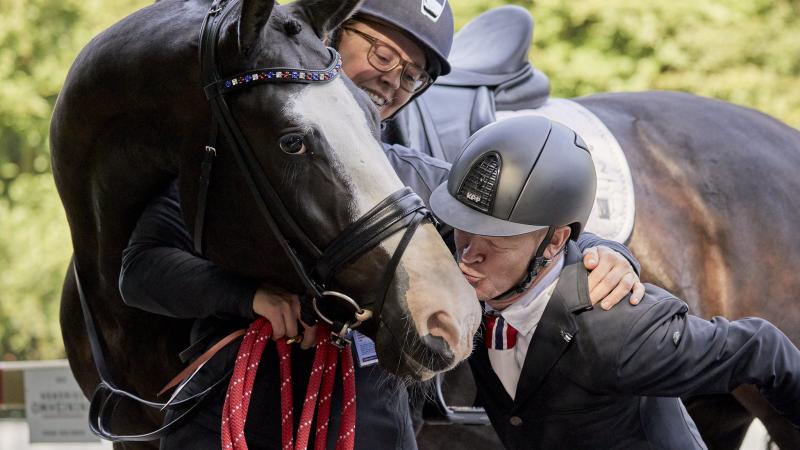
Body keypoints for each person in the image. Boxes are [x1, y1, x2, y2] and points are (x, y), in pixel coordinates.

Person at [119, 2, 644, 449]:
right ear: (327, 37)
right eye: (383, 53)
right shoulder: (240, 163)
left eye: (412, 74)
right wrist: (249, 295)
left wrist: (607, 253)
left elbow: (522, 228)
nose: (394, 79)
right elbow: (142, 268)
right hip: (239, 400)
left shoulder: (412, 174)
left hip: (369, 409)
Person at [428, 115, 800, 449]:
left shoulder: (621, 330)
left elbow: (761, 349)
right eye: (464, 231)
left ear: (554, 241)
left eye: (495, 242)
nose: (468, 255)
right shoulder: (473, 262)